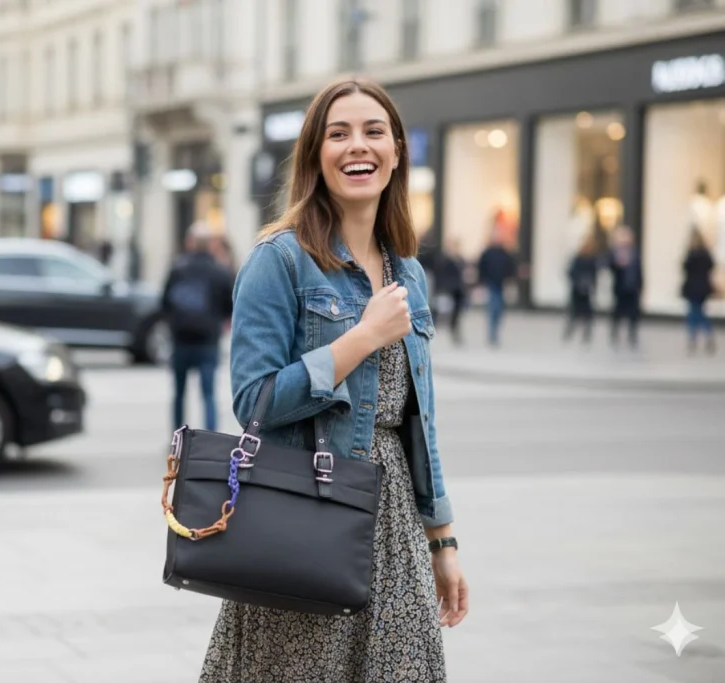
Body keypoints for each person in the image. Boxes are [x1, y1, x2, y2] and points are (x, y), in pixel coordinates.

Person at [199, 77, 467, 683]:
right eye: (337, 133)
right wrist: (360, 339)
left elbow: (417, 426)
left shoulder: (410, 274)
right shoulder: (279, 260)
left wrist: (442, 541)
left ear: (397, 150)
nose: (357, 146)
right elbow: (255, 402)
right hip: (307, 511)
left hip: (394, 521)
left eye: (374, 132)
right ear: (315, 156)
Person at [161, 222, 235, 432]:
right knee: (209, 394)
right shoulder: (219, 271)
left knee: (179, 393)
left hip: (181, 339)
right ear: (211, 244)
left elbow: (165, 302)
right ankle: (210, 437)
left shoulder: (177, 268)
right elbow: (229, 304)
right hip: (207, 340)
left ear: (190, 242)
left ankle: (177, 436)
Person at [477, 227, 516, 347]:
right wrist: (482, 281)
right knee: (493, 308)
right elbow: (481, 267)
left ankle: (495, 332)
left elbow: (510, 267)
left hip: (501, 284)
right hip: (491, 284)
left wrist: (510, 279)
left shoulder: (505, 253)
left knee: (499, 310)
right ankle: (492, 334)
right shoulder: (487, 252)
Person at [681, 228, 716, 355]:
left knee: (694, 313)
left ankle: (695, 337)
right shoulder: (705, 254)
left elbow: (685, 267)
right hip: (701, 288)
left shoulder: (693, 254)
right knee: (697, 312)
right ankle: (702, 335)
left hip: (695, 288)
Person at [607, 226, 643, 350]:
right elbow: (609, 266)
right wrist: (617, 264)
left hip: (632, 286)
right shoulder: (615, 252)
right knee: (617, 311)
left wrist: (641, 285)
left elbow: (639, 270)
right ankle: (614, 332)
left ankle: (632, 334)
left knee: (633, 313)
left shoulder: (634, 252)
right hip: (620, 287)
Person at [563, 233, 600, 344]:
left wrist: (591, 284)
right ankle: (570, 332)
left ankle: (586, 333)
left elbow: (595, 274)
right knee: (574, 312)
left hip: (587, 290)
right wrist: (577, 281)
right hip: (577, 289)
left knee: (587, 313)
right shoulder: (577, 258)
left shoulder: (592, 259)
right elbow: (571, 272)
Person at [433, 237, 467, 345]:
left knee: (456, 314)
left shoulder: (460, 259)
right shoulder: (444, 259)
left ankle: (455, 333)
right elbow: (440, 274)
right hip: (447, 290)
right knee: (442, 312)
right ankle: (434, 331)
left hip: (458, 290)